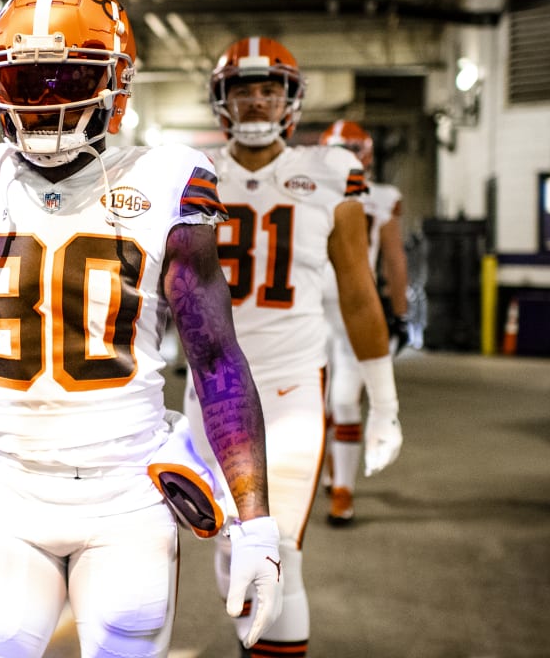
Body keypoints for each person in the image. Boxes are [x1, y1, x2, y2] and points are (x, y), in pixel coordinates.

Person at [0, 0, 283, 657]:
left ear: (116, 83)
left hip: (127, 496)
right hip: (7, 493)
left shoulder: (168, 181)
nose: (45, 102)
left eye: (65, 79)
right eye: (26, 82)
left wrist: (256, 523)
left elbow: (215, 360)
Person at [183, 37, 401, 657]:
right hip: (211, 388)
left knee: (276, 550)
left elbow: (360, 295)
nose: (256, 101)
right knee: (229, 548)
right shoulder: (192, 173)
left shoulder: (332, 174)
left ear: (289, 98)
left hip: (291, 385)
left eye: (268, 89)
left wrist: (383, 401)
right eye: (242, 90)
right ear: (222, 100)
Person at [318, 119, 410, 526]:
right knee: (313, 402)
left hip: (356, 305)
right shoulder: (305, 189)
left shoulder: (381, 197)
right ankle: (327, 471)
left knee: (343, 399)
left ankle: (343, 490)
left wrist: (401, 311)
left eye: (353, 150)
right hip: (310, 308)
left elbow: (394, 258)